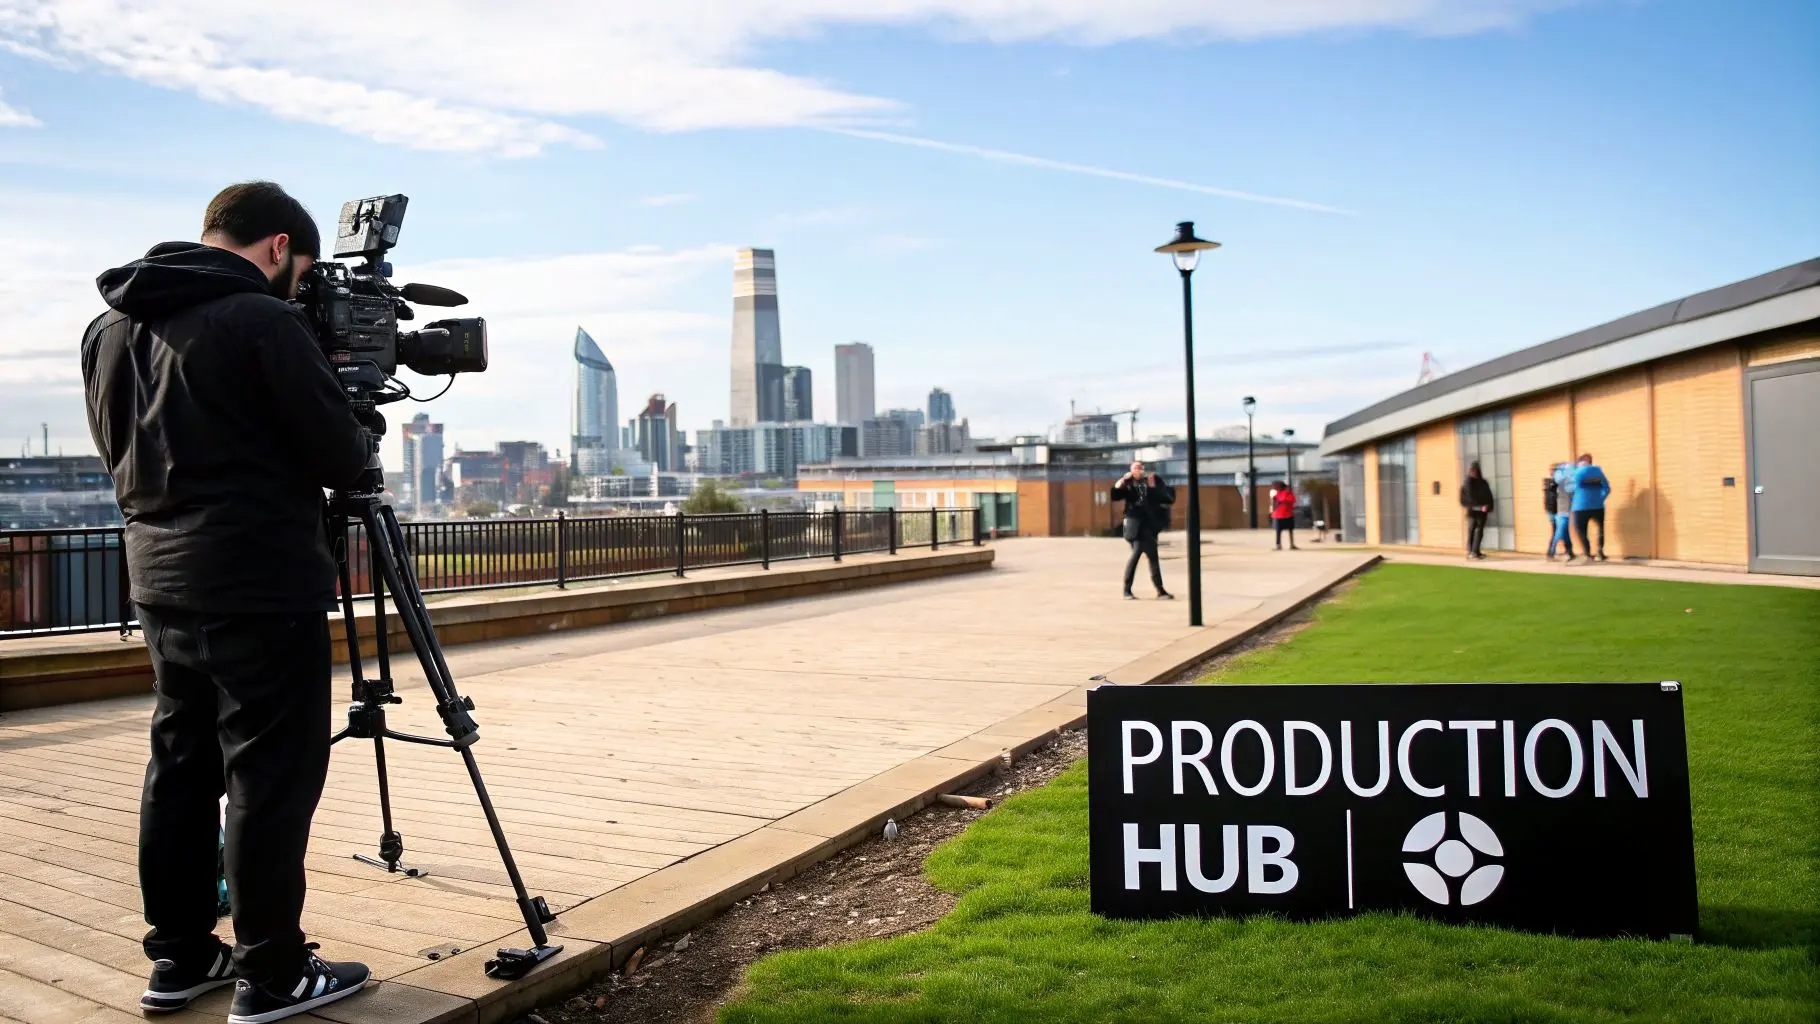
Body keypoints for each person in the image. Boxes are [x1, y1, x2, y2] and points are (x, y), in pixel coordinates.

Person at [82, 182, 378, 1022]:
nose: (299, 291)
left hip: (159, 582)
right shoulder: (262, 321)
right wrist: (357, 430)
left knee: (180, 767)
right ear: (279, 247)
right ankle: (274, 971)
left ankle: (179, 958)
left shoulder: (108, 328)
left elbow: (117, 452)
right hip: (259, 582)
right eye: (301, 272)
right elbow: (340, 456)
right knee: (268, 777)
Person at [1111, 461, 1175, 600]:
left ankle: (1130, 590)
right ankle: (1157, 590)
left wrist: (1152, 487)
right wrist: (1121, 481)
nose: (1138, 470)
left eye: (1140, 467)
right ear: (1130, 470)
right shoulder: (1128, 483)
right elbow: (1115, 495)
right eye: (1135, 468)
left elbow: (1166, 498)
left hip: (1148, 524)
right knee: (1148, 556)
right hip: (1135, 526)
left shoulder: (1152, 480)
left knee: (1142, 556)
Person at [1570, 452, 1612, 562]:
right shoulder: (1598, 471)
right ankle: (1600, 551)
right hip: (1597, 506)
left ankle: (1588, 553)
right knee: (1601, 529)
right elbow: (1607, 487)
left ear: (1580, 462)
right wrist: (1600, 498)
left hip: (1580, 506)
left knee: (1581, 530)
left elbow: (1569, 488)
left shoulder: (1576, 472)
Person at [1459, 461, 1495, 560]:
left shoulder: (1483, 483)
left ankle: (1476, 551)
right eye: (1473, 471)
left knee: (1479, 532)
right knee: (1472, 530)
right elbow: (1466, 500)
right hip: (1473, 512)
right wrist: (1479, 507)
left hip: (1482, 512)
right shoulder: (1468, 484)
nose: (1474, 473)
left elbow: (1489, 496)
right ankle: (1471, 551)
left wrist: (1488, 506)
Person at [1545, 463, 1576, 560]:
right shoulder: (1552, 482)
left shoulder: (1556, 482)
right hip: (1555, 511)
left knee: (1563, 531)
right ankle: (1551, 552)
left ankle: (1569, 552)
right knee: (1557, 532)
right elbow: (1550, 499)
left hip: (1558, 510)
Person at [1270, 480, 1299, 550]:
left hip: (1284, 514)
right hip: (1282, 515)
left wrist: (1280, 501)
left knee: (1282, 531)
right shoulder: (1278, 493)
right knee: (1284, 531)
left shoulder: (1286, 493)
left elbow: (1291, 500)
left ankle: (1282, 545)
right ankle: (1287, 545)